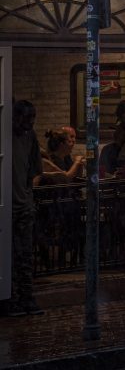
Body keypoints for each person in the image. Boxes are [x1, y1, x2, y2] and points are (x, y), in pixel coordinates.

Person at [8, 100, 45, 316]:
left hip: (23, 203)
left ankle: (26, 298)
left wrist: (28, 194)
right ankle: (12, 299)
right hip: (10, 204)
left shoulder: (30, 137)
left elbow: (34, 169)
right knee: (10, 254)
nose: (29, 122)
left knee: (25, 255)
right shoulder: (8, 137)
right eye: (25, 118)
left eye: (32, 118)